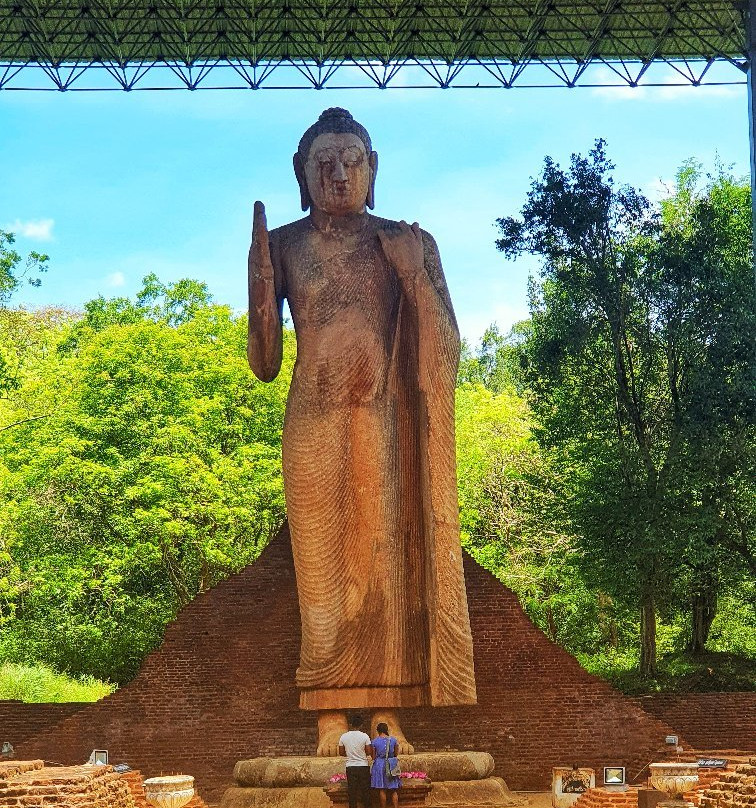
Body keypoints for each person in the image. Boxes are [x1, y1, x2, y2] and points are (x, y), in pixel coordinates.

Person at [248, 108, 477, 755]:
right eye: (323, 163)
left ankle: (383, 710)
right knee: (319, 569)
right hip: (313, 419)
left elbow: (445, 345)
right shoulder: (287, 245)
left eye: (352, 160)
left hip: (380, 417)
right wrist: (261, 276)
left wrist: (410, 271)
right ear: (303, 176)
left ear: (374, 172)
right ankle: (326, 711)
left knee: (383, 566)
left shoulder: (406, 242)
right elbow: (264, 363)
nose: (339, 173)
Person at [338, 713, 373, 808]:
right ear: (361, 725)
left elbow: (341, 752)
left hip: (350, 766)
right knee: (366, 791)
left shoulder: (343, 736)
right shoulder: (365, 736)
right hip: (363, 765)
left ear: (350, 724)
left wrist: (350, 753)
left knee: (352, 791)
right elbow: (369, 751)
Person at [371, 722, 401, 808]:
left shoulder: (374, 741)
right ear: (386, 730)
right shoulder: (393, 740)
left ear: (378, 731)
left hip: (379, 765)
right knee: (394, 789)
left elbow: (373, 756)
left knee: (382, 789)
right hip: (391, 764)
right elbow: (396, 753)